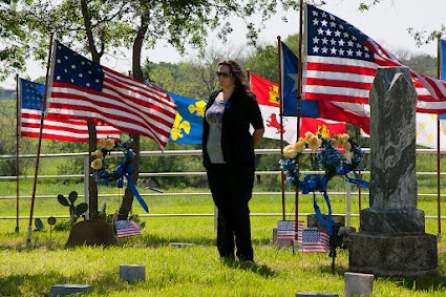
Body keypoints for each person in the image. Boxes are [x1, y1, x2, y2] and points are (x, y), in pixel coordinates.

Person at [202, 60, 264, 264]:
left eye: (225, 74)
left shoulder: (246, 98)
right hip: (214, 163)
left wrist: (245, 150)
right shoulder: (213, 97)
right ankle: (225, 253)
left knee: (238, 208)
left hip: (238, 165)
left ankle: (245, 255)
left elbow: (259, 129)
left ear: (234, 76)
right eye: (218, 73)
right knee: (222, 208)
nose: (221, 77)